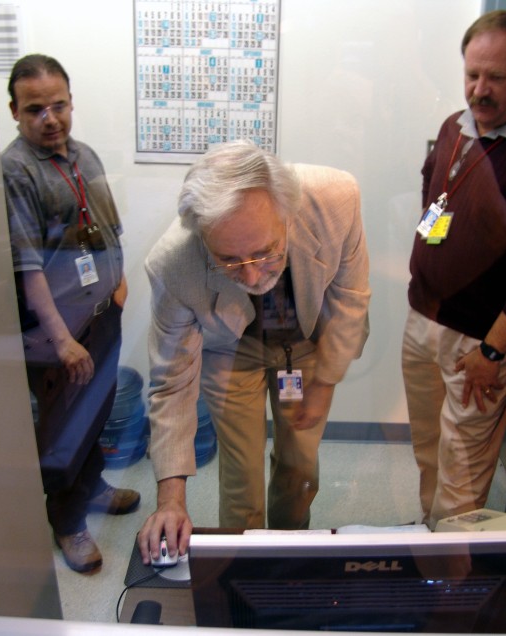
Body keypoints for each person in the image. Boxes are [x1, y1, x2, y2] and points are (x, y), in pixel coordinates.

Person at [138, 140, 370, 563]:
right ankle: (244, 562)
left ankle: (289, 550)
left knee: (299, 465)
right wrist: (171, 499)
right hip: (231, 350)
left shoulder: (335, 200)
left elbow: (350, 299)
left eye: (265, 252)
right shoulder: (174, 264)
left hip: (302, 343)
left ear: (287, 215)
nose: (251, 274)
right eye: (228, 259)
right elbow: (171, 383)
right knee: (240, 475)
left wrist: (325, 382)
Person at [402, 11, 506, 529]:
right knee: (429, 451)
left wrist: (494, 350)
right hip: (423, 320)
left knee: (462, 474)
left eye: (495, 77)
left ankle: (451, 575)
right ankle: (430, 538)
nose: (478, 90)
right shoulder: (456, 126)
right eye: (472, 74)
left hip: (480, 343)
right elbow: (436, 198)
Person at [2, 54, 141, 573]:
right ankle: (68, 522)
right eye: (35, 108)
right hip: (60, 332)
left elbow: (108, 226)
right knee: (64, 430)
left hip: (103, 313)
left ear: (71, 102)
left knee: (98, 412)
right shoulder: (15, 170)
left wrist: (118, 286)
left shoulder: (83, 154)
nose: (50, 118)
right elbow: (27, 267)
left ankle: (94, 487)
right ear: (15, 110)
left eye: (58, 105)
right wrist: (63, 340)